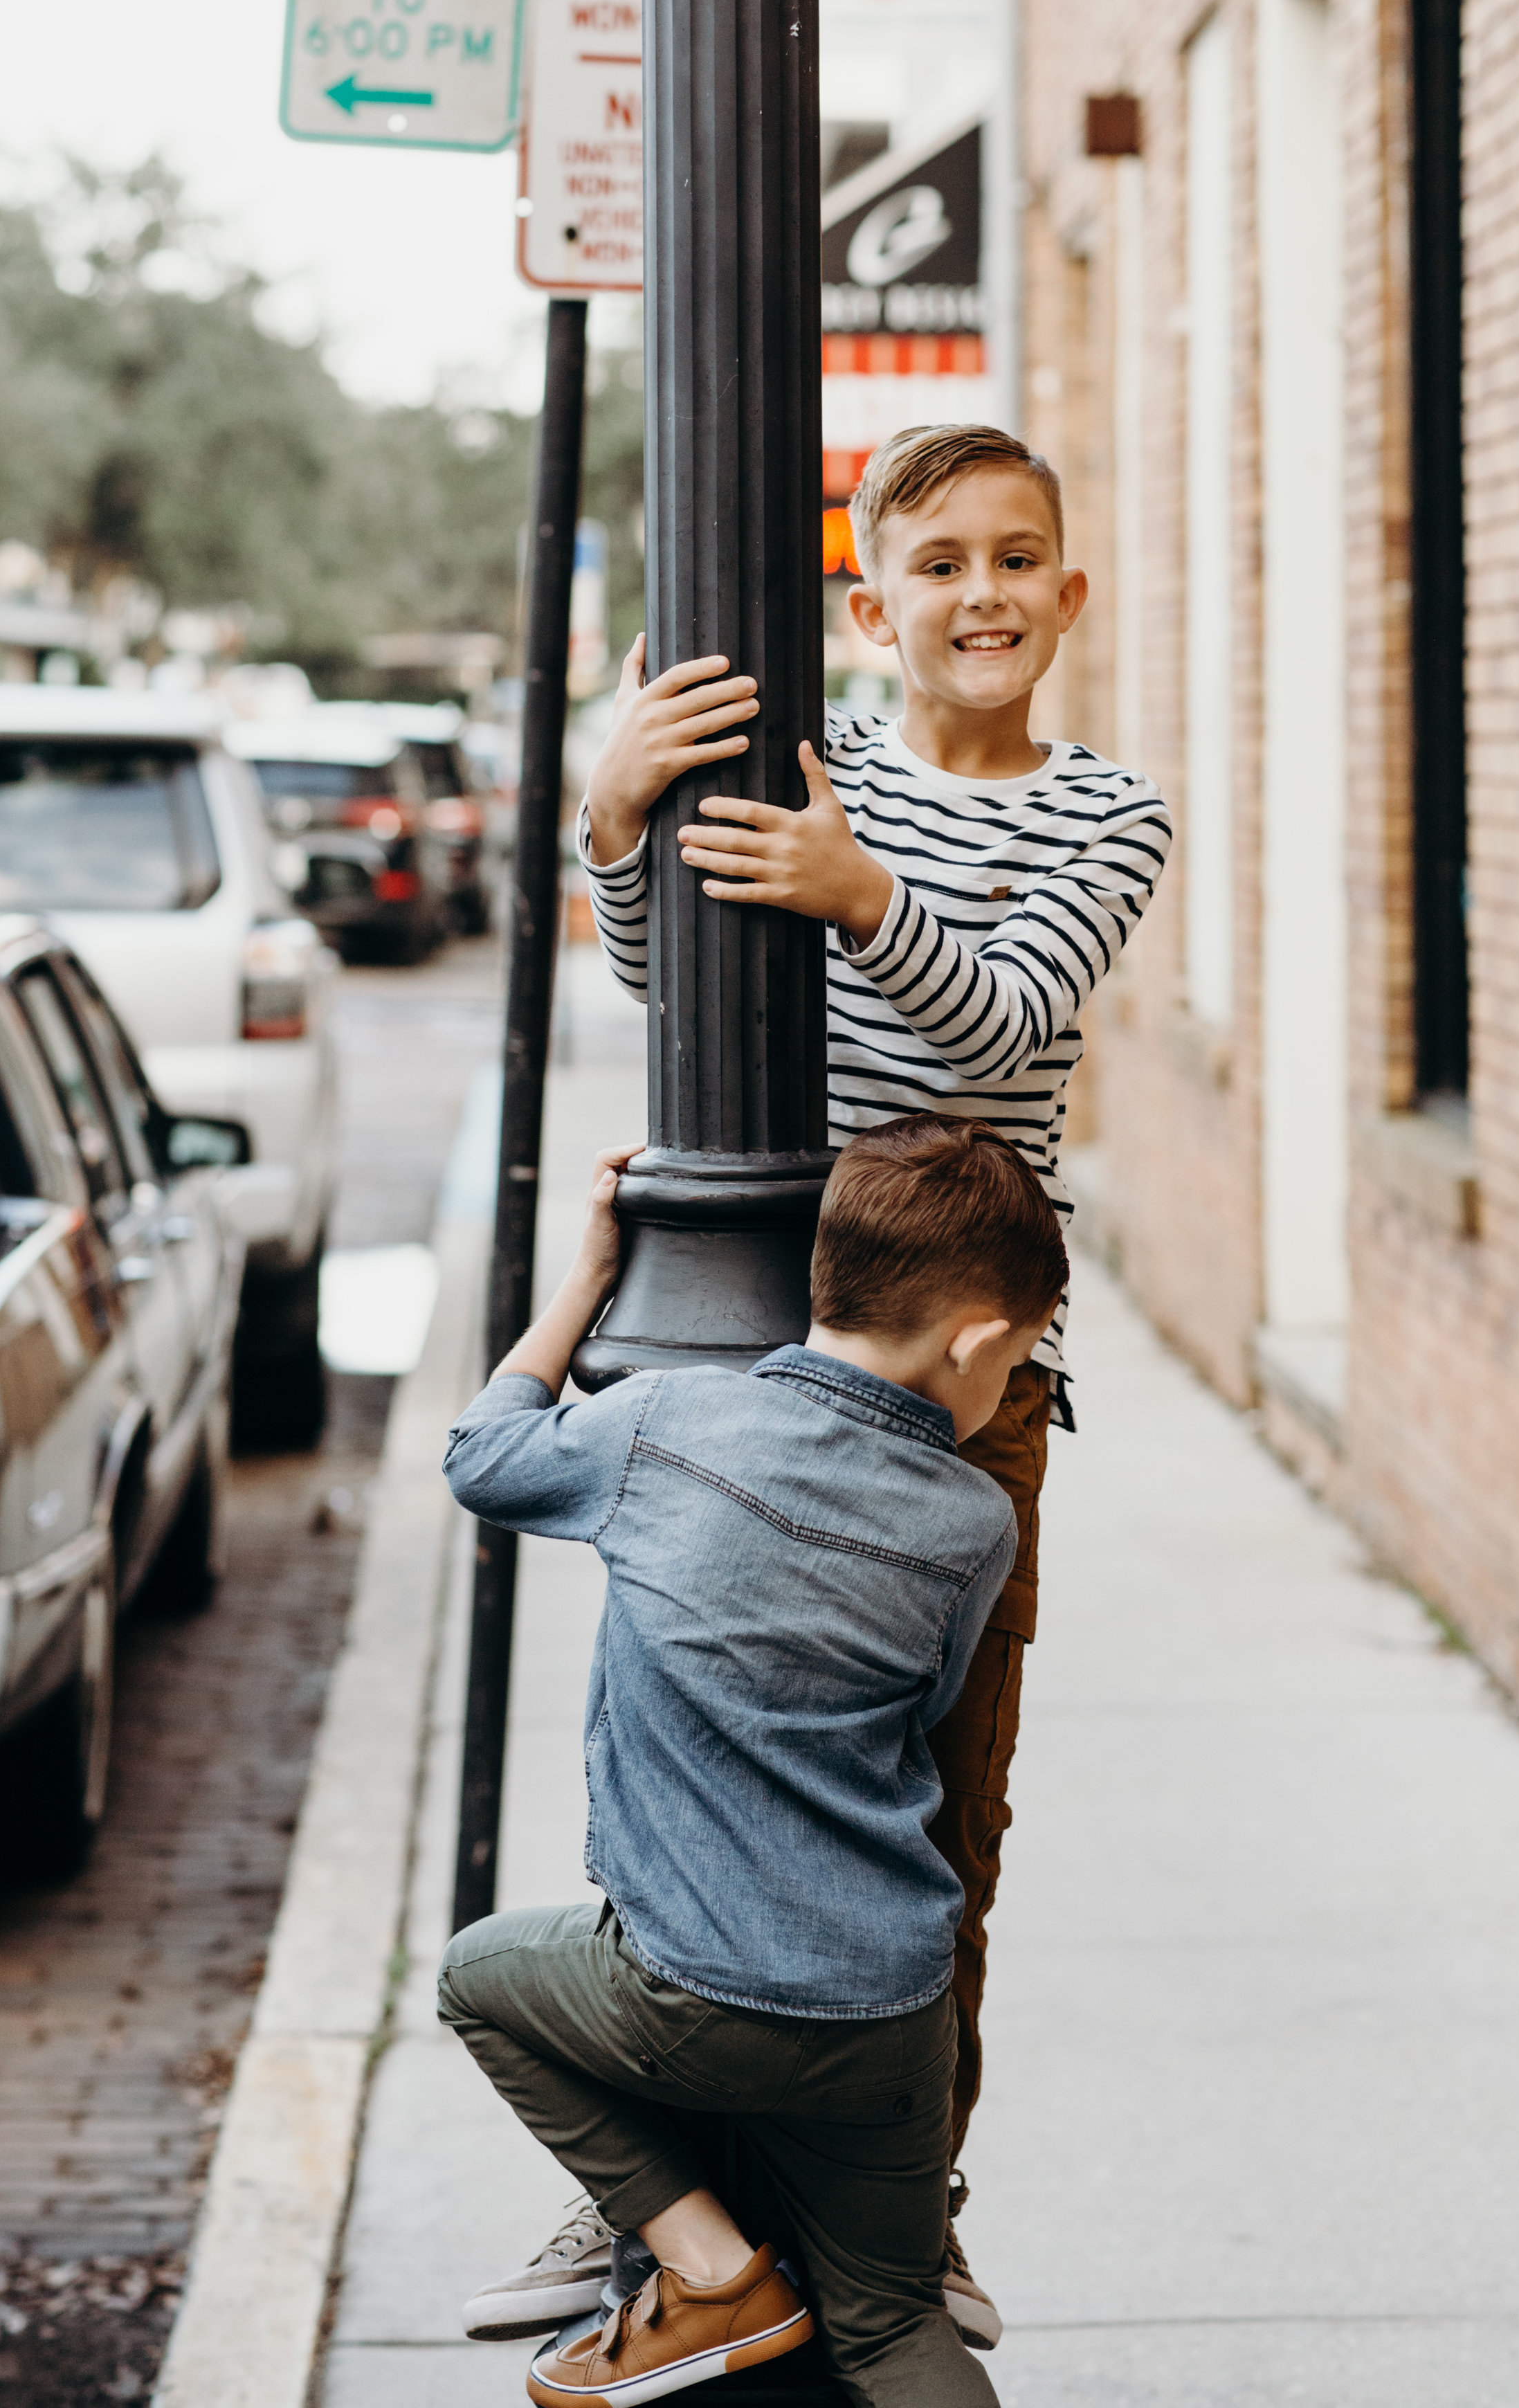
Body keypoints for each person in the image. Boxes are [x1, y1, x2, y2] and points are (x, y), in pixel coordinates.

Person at [558, 422, 1172, 2344]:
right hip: (768, 1374)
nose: (979, 594)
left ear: (1064, 596)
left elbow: (1005, 1016)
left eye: (1016, 561)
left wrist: (862, 897)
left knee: (936, 1811)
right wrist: (609, 829)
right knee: (692, 1793)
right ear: (872, 603)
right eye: (939, 565)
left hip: (972, 1394)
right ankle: (654, 2219)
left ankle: (911, 2205)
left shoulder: (1107, 815)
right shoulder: (816, 780)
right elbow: (681, 998)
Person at [439, 1115, 1068, 2407]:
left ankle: (706, 2266)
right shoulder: (972, 1521)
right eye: (1022, 1360)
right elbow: (931, 1704)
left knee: (474, 1980)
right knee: (895, 2325)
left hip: (692, 1995)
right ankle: (736, 2283)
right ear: (975, 1344)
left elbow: (482, 1458)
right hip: (896, 2011)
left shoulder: (663, 1424)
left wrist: (583, 1283)